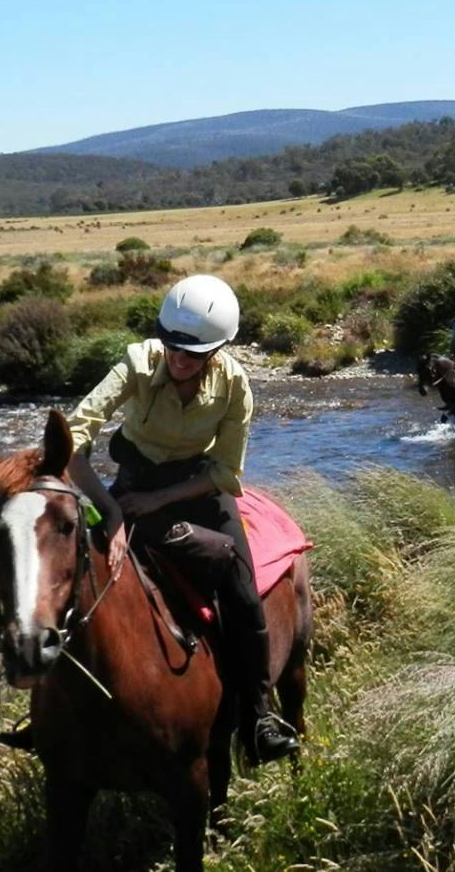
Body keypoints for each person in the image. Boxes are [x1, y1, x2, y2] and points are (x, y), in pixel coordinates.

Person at [63, 273, 298, 763]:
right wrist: (111, 510)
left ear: (217, 351)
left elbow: (225, 472)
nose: (178, 359)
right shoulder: (137, 361)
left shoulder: (234, 385)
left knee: (240, 583)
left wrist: (160, 502)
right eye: (173, 347)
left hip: (195, 490)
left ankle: (256, 717)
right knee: (70, 573)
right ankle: (53, 712)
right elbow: (73, 437)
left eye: (193, 353)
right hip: (132, 488)